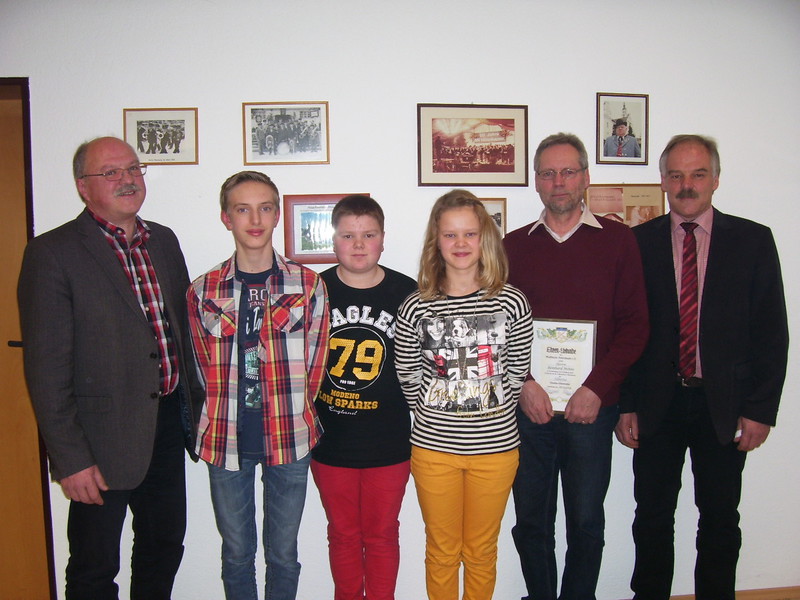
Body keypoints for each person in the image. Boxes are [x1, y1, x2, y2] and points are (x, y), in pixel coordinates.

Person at [17, 136, 203, 600]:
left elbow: (180, 333)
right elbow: (45, 368)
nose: (127, 180)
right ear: (83, 186)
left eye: (134, 169)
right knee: (94, 566)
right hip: (98, 440)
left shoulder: (163, 240)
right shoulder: (52, 252)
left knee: (163, 548)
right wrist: (70, 459)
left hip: (165, 425)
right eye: (111, 172)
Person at [616, 134, 789, 600]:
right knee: (651, 516)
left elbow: (772, 332)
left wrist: (760, 410)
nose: (686, 185)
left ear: (715, 178)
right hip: (657, 404)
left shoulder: (753, 241)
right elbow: (625, 330)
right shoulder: (638, 243)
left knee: (719, 517)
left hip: (725, 404)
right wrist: (626, 403)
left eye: (697, 174)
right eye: (676, 175)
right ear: (662, 180)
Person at [504, 133, 649, 600]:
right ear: (536, 181)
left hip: (593, 410)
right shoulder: (511, 246)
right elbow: (498, 329)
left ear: (585, 177)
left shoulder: (618, 241)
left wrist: (597, 388)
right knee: (531, 521)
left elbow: (635, 325)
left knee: (586, 522)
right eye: (548, 173)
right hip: (530, 410)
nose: (558, 182)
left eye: (568, 172)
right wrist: (524, 383)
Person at [186, 170, 329, 600]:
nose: (255, 219)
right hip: (225, 439)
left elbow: (316, 364)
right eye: (242, 209)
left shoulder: (308, 285)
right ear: (226, 217)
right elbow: (200, 366)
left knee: (283, 555)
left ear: (276, 214)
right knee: (236, 555)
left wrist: (295, 412)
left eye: (265, 208)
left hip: (289, 437)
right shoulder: (203, 290)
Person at [395, 190, 533, 600]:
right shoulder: (415, 307)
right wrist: (437, 410)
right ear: (436, 241)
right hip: (434, 451)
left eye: (470, 233)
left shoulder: (512, 302)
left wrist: (488, 408)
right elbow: (407, 375)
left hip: (496, 451)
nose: (460, 243)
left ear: (484, 238)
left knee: (481, 551)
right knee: (441, 551)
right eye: (450, 234)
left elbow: (516, 373)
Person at [311, 195, 417, 600]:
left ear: (383, 239)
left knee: (382, 533)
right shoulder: (314, 290)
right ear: (333, 240)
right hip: (330, 439)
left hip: (389, 441)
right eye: (348, 236)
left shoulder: (408, 292)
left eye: (368, 235)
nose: (358, 244)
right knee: (341, 533)